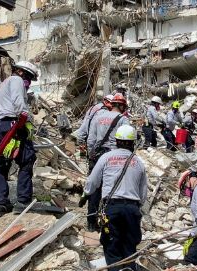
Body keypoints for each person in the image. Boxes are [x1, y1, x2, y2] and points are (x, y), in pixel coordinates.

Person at [81, 125, 148, 271]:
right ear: (133, 143)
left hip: (112, 208)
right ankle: (129, 267)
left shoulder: (106, 158)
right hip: (132, 209)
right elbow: (143, 194)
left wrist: (86, 193)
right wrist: (136, 207)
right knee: (129, 247)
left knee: (112, 247)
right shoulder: (139, 163)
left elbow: (92, 182)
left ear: (116, 141)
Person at [0, 61, 38, 218]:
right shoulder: (17, 80)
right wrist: (24, 120)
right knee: (26, 160)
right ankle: (22, 202)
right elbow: (19, 104)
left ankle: (0, 203)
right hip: (15, 123)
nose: (29, 83)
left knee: (1, 164)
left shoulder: (2, 84)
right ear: (22, 72)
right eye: (29, 78)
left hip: (0, 124)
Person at [84, 93, 130, 231]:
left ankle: (91, 221)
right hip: (114, 157)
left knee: (95, 188)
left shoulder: (98, 117)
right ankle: (109, 221)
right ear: (121, 106)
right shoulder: (123, 120)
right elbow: (127, 141)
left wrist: (91, 155)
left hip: (97, 156)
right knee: (113, 189)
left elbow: (91, 139)